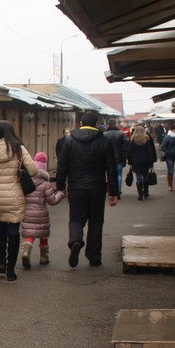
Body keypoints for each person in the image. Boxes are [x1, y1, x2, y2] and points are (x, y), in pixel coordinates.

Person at [55, 110, 119, 268]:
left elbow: (62, 166)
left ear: (81, 123)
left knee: (76, 219)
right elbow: (111, 169)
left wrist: (61, 186)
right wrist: (113, 192)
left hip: (76, 187)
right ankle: (94, 256)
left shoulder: (69, 141)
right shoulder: (104, 141)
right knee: (96, 222)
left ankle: (76, 240)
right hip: (97, 188)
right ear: (96, 124)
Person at [0, 120, 38, 281]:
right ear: (11, 132)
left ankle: (1, 262)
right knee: (13, 229)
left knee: (0, 227)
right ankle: (10, 271)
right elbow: (33, 171)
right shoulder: (19, 149)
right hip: (15, 195)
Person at [20, 151, 65, 269]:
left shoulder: (26, 182)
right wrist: (60, 194)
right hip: (42, 215)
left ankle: (26, 251)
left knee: (30, 234)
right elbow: (52, 201)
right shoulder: (45, 184)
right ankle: (44, 257)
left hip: (27, 213)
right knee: (43, 235)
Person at [125, 125, 158, 200]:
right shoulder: (147, 139)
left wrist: (130, 162)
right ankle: (146, 192)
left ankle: (140, 195)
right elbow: (149, 151)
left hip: (136, 161)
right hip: (145, 160)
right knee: (145, 176)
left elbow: (129, 151)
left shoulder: (132, 140)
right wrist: (151, 162)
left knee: (138, 177)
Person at [102, 118, 127, 193]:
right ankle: (118, 191)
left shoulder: (104, 134)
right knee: (119, 175)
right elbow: (125, 146)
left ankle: (111, 191)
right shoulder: (121, 133)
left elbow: (102, 147)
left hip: (107, 158)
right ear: (116, 124)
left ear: (108, 124)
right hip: (119, 157)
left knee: (109, 175)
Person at [161, 123, 175, 192]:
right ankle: (170, 186)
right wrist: (169, 152)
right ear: (172, 130)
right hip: (170, 157)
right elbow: (163, 147)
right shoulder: (167, 137)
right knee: (170, 171)